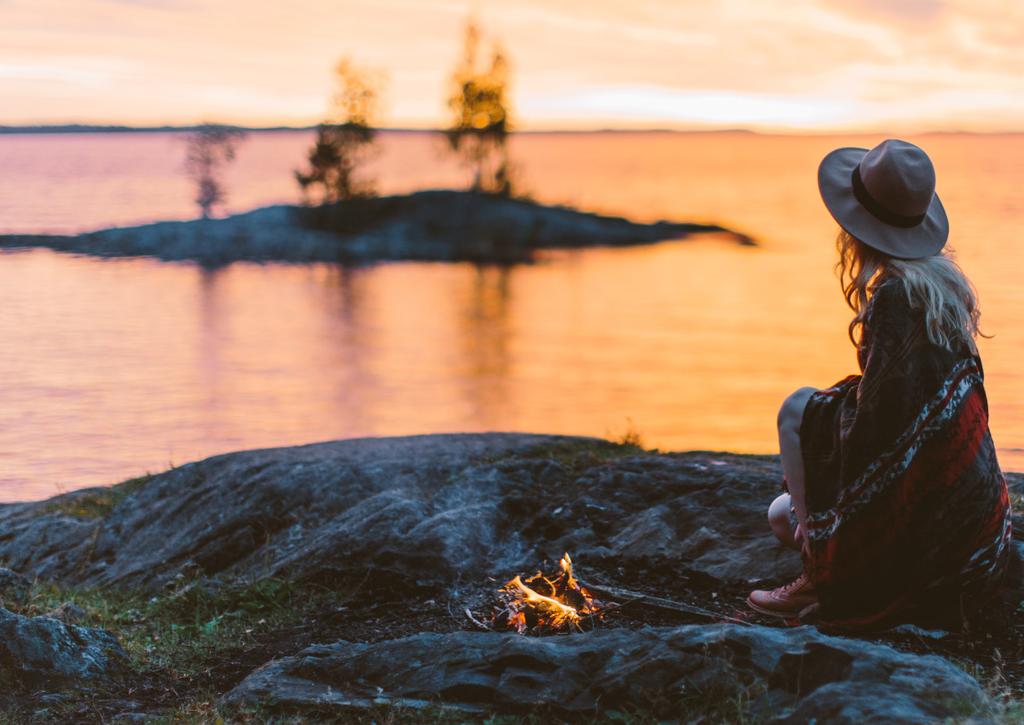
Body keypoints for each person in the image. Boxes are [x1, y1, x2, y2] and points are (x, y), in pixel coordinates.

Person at [746, 139, 1013, 630]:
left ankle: (822, 572)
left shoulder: (895, 296)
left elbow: (877, 433)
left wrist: (820, 421)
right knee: (790, 492)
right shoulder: (945, 286)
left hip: (934, 550)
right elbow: (914, 406)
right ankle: (831, 560)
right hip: (978, 533)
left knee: (793, 425)